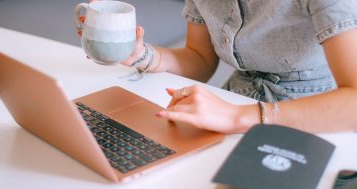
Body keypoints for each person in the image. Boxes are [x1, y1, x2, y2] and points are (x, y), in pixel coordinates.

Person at [84, 0, 357, 134]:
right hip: (238, 101)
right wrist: (143, 55)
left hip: (318, 120)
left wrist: (236, 117)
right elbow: (200, 59)